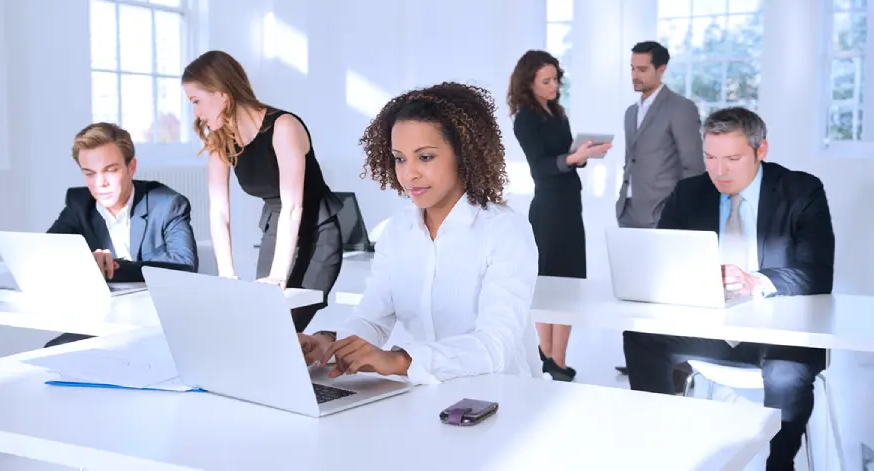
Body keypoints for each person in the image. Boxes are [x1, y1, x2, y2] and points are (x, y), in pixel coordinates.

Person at [623, 107, 835, 471]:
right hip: (713, 331)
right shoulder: (688, 193)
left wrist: (757, 281)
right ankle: (660, 447)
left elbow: (817, 273)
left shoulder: (802, 191)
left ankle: (779, 464)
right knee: (641, 337)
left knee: (786, 375)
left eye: (733, 158)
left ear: (761, 150)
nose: (719, 171)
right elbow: (662, 258)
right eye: (710, 157)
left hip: (780, 335)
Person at [296, 82, 541, 385]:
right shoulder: (397, 231)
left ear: (464, 154)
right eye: (400, 158)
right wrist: (327, 345)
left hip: (502, 398)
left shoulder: (505, 232)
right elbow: (373, 319)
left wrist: (401, 360)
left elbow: (495, 345)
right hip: (425, 398)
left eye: (425, 157)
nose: (409, 173)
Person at [182, 50, 343, 333]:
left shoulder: (283, 126)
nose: (195, 113)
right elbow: (219, 211)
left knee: (281, 328)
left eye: (196, 101)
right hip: (276, 231)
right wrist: (226, 273)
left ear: (221, 93)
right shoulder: (222, 139)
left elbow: (293, 206)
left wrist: (279, 275)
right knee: (261, 327)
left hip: (317, 233)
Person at [44, 122, 199, 347]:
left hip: (161, 325)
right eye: (89, 174)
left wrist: (112, 267)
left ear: (131, 167)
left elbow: (185, 264)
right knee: (52, 352)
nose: (100, 184)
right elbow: (49, 250)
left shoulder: (167, 204)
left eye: (110, 170)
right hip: (105, 323)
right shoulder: (79, 204)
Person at [508, 50, 610, 381]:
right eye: (546, 81)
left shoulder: (557, 113)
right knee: (549, 282)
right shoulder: (525, 118)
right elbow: (541, 166)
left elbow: (564, 158)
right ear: (529, 83)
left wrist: (582, 155)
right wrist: (573, 158)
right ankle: (548, 356)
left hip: (569, 203)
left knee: (569, 282)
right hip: (548, 207)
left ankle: (558, 359)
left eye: (556, 79)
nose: (554, 86)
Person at [614, 41, 704, 377]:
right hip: (631, 212)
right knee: (637, 294)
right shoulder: (630, 112)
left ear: (661, 70)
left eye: (642, 69)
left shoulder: (680, 108)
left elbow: (693, 167)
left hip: (665, 215)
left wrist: (683, 215)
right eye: (632, 68)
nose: (635, 75)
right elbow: (632, 160)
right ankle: (641, 358)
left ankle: (679, 368)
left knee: (668, 297)